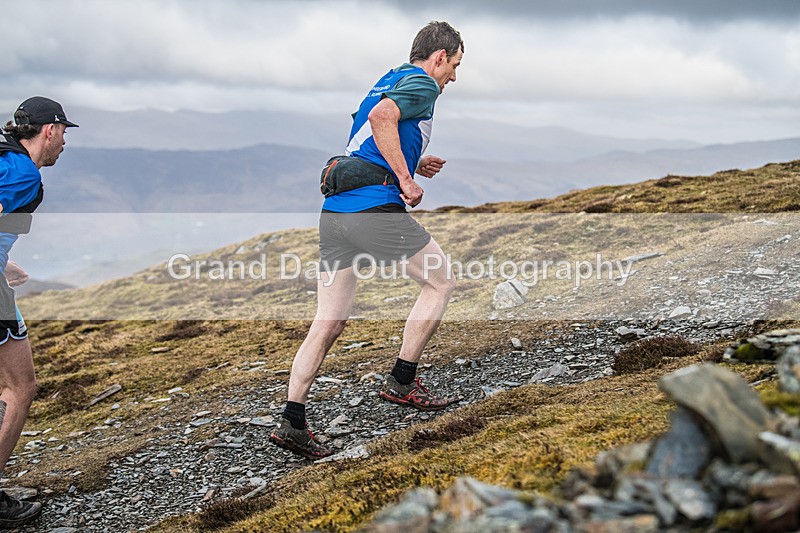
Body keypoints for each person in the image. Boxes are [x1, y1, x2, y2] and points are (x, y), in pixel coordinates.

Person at [270, 21, 464, 460]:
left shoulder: (389, 78)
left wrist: (414, 160)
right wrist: (404, 179)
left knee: (329, 321)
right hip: (371, 208)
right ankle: (401, 380)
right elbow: (382, 119)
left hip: (336, 212)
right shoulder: (423, 84)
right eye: (454, 64)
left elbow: (370, 134)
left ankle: (292, 420)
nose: (454, 75)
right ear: (439, 56)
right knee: (441, 282)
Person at [0, 96, 78, 528]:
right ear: (49, 130)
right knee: (21, 388)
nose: (65, 143)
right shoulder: (23, 173)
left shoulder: (6, 161)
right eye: (64, 133)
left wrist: (5, 262)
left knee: (18, 385)